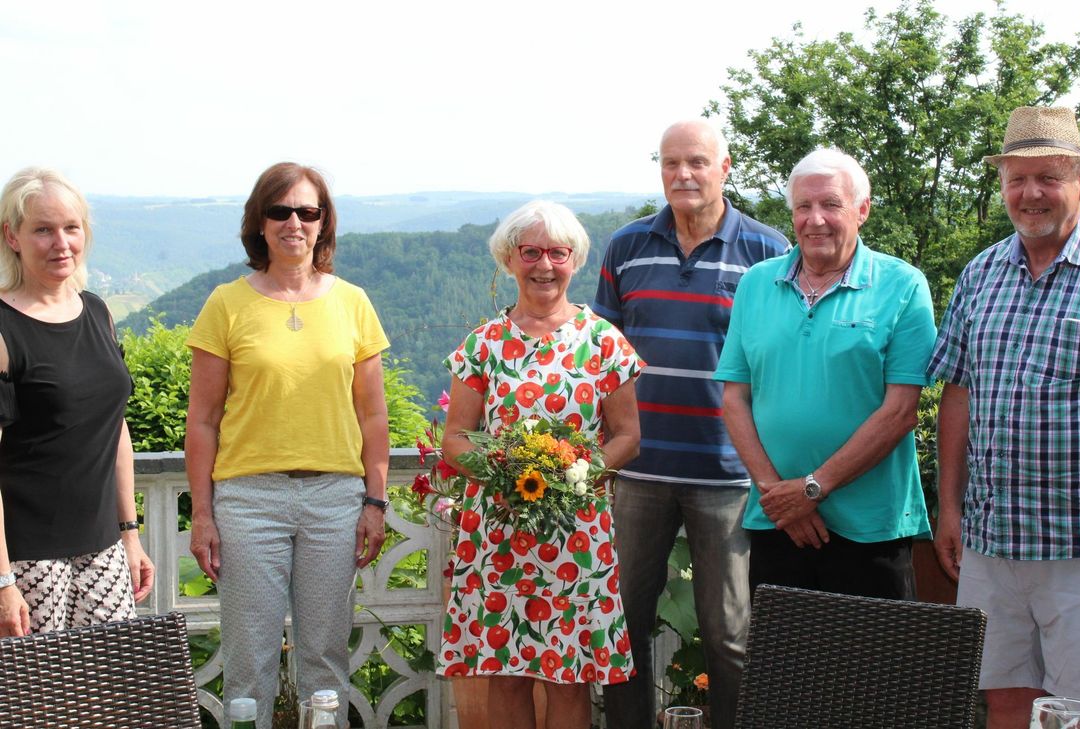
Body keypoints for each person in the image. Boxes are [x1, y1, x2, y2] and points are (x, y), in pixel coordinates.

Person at [593, 119, 789, 729]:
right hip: (639, 470)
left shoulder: (766, 250)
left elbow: (780, 362)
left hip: (728, 475)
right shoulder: (627, 247)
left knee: (730, 633)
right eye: (671, 163)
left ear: (724, 168)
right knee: (622, 626)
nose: (683, 174)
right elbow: (604, 359)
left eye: (697, 162)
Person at [185, 162, 390, 729]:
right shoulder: (226, 304)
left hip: (335, 499)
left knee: (326, 660)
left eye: (307, 211)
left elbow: (373, 414)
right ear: (260, 221)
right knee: (248, 661)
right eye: (280, 211)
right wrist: (202, 513)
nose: (294, 222)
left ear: (324, 223)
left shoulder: (353, 302)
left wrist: (375, 502)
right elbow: (201, 420)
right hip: (247, 502)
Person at [438, 200, 643, 729]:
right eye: (531, 252)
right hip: (499, 533)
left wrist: (575, 475)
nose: (544, 265)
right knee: (505, 672)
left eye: (558, 252)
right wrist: (503, 476)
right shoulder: (483, 345)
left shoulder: (604, 343)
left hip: (576, 533)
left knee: (568, 675)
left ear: (575, 260)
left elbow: (628, 436)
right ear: (510, 259)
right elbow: (456, 439)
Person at [926, 106, 1080, 728]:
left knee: (1077, 713)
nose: (1030, 194)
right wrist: (949, 508)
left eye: (1048, 177)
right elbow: (959, 393)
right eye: (1016, 179)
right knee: (1001, 699)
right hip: (992, 543)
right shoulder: (981, 272)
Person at [714, 148, 936, 599]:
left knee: (874, 668)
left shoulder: (903, 285)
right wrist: (781, 496)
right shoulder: (757, 283)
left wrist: (812, 489)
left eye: (831, 204)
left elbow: (900, 412)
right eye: (803, 206)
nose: (815, 219)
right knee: (783, 667)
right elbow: (735, 398)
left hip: (871, 527)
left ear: (862, 210)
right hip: (777, 520)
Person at [0, 167, 154, 636]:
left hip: (104, 549)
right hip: (28, 559)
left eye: (71, 228)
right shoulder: (3, 329)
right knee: (35, 704)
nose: (60, 242)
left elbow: (115, 429)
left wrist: (130, 534)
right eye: (42, 229)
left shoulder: (99, 312)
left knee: (109, 697)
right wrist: (3, 580)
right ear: (12, 236)